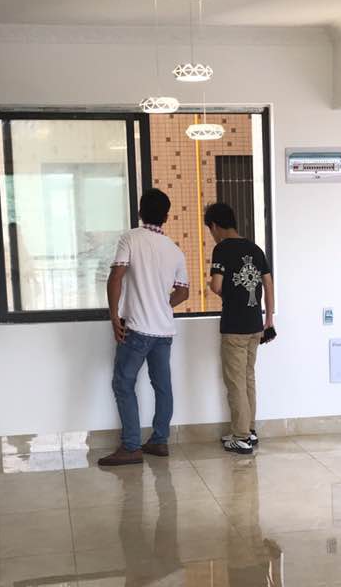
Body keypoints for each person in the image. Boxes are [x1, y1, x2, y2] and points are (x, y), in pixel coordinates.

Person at [99, 188, 189, 467]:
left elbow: (116, 277)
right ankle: (159, 440)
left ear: (140, 212)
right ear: (166, 217)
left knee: (123, 383)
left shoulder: (130, 238)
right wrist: (162, 304)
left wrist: (114, 316)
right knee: (162, 386)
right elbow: (183, 292)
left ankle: (131, 447)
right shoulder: (175, 250)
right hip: (164, 331)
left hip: (136, 328)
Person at [205, 201, 274, 454]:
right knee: (248, 379)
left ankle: (241, 436)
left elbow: (216, 285)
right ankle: (250, 430)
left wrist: (215, 286)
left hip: (234, 327)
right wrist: (269, 319)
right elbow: (268, 284)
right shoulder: (255, 249)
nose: (212, 235)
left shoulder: (222, 249)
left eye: (210, 230)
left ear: (215, 226)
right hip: (255, 325)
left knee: (235, 383)